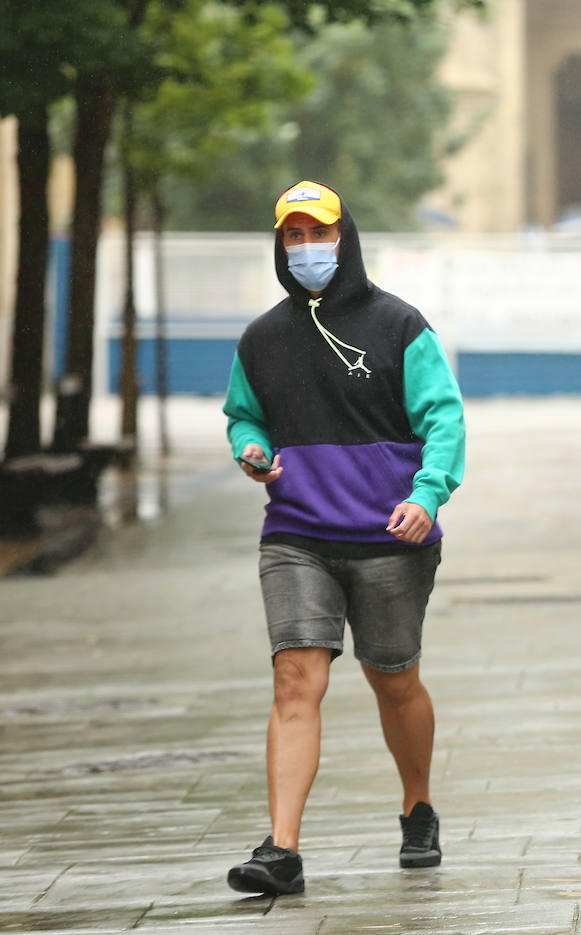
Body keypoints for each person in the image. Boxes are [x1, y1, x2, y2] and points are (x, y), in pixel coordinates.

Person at [221, 181, 465, 895]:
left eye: (316, 233)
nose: (304, 248)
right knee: (297, 678)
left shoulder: (399, 325)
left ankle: (417, 805)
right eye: (291, 236)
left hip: (389, 535)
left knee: (394, 680)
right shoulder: (262, 338)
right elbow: (243, 414)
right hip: (296, 531)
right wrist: (252, 447)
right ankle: (282, 848)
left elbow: (443, 421)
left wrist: (427, 496)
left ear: (345, 237)